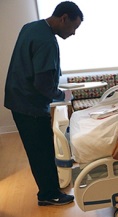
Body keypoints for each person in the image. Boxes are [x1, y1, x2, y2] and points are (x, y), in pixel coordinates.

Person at [4, 1, 83, 206]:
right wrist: (63, 96)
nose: (74, 33)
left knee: (37, 149)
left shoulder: (31, 27)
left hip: (17, 98)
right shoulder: (47, 41)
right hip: (29, 104)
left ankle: (51, 187)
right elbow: (43, 83)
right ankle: (49, 195)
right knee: (42, 151)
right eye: (74, 27)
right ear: (64, 18)